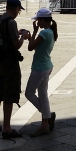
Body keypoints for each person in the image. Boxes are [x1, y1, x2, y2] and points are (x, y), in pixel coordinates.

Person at [0, 0, 29, 139]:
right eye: (19, 10)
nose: (18, 12)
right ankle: (7, 128)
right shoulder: (11, 22)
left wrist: (16, 32)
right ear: (16, 8)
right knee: (9, 94)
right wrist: (23, 37)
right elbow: (16, 45)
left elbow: (3, 36)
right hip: (10, 63)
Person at [25, 8, 58, 137]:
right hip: (47, 66)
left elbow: (30, 47)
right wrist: (33, 35)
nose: (37, 22)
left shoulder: (44, 33)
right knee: (43, 94)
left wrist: (33, 33)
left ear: (43, 20)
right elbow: (35, 46)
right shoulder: (51, 32)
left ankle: (46, 117)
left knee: (29, 93)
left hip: (39, 68)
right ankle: (45, 122)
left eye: (38, 20)